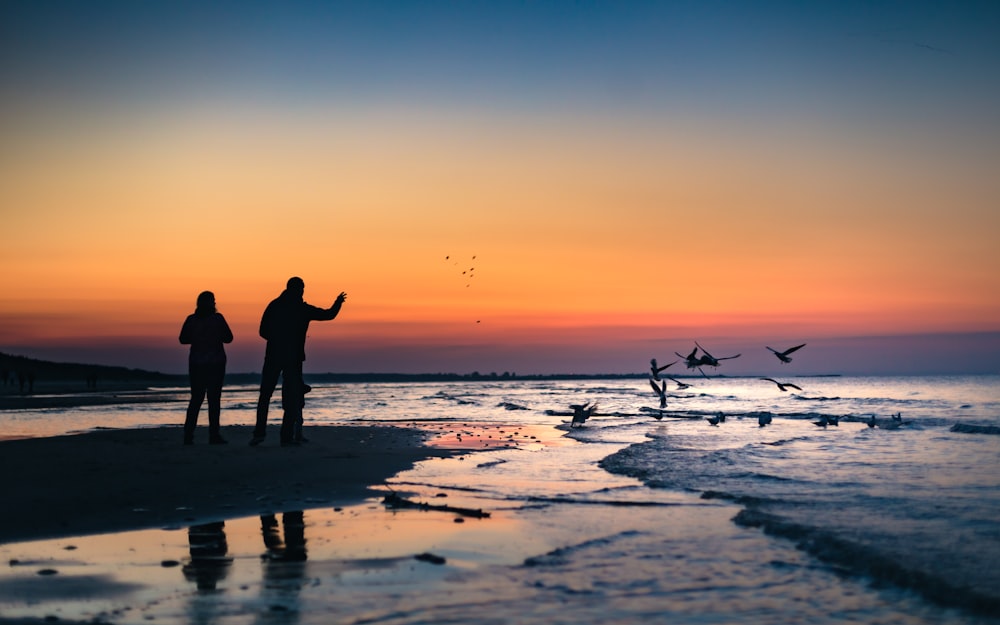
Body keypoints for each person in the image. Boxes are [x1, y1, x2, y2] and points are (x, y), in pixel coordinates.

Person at [250, 277, 346, 447]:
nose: (301, 291)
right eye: (301, 288)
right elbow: (328, 314)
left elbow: (263, 331)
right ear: (299, 289)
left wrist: (276, 340)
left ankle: (262, 434)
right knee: (289, 396)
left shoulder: (276, 305)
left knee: (269, 395)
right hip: (291, 357)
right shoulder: (300, 309)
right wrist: (338, 303)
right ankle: (283, 437)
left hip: (276, 355)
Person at [179, 291, 234, 445]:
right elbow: (229, 338)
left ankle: (188, 436)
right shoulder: (217, 319)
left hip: (197, 363)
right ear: (211, 303)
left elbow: (183, 339)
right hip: (215, 363)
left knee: (196, 399)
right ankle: (213, 435)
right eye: (214, 301)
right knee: (213, 400)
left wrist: (197, 337)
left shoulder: (192, 320)